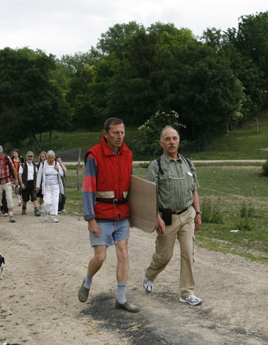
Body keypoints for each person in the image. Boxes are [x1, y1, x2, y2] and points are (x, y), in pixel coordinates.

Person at [78, 117, 139, 313]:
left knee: (123, 252)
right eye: (115, 133)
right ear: (105, 134)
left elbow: (131, 186)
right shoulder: (94, 155)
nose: (120, 136)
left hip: (121, 213)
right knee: (100, 257)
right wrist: (90, 218)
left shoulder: (127, 154)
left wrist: (132, 213)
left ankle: (120, 299)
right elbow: (88, 188)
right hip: (101, 214)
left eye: (122, 132)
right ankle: (87, 281)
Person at [142, 126, 203, 306]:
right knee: (164, 255)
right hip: (166, 218)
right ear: (161, 143)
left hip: (187, 215)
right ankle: (149, 274)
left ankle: (186, 292)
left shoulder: (187, 163)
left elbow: (194, 190)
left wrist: (197, 213)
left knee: (188, 253)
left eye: (174, 138)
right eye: (167, 139)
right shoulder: (157, 166)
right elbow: (149, 195)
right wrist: (156, 217)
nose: (172, 142)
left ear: (178, 141)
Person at [0, 144, 18, 222]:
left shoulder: (7, 158)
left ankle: (11, 215)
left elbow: (13, 169)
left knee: (9, 198)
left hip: (7, 181)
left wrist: (16, 181)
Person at [35, 150, 63, 222]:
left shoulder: (57, 164)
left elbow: (62, 174)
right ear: (47, 157)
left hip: (55, 186)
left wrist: (58, 169)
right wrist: (38, 186)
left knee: (55, 201)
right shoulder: (43, 164)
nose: (51, 160)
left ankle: (53, 216)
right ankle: (45, 211)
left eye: (52, 158)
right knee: (47, 202)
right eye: (49, 158)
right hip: (46, 186)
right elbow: (39, 176)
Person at [19, 151, 41, 216]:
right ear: (26, 157)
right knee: (25, 198)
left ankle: (36, 210)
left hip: (33, 183)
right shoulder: (22, 165)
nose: (30, 158)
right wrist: (21, 183)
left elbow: (37, 174)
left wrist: (37, 184)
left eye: (31, 156)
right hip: (26, 183)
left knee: (34, 197)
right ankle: (24, 208)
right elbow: (20, 175)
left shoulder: (34, 165)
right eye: (29, 156)